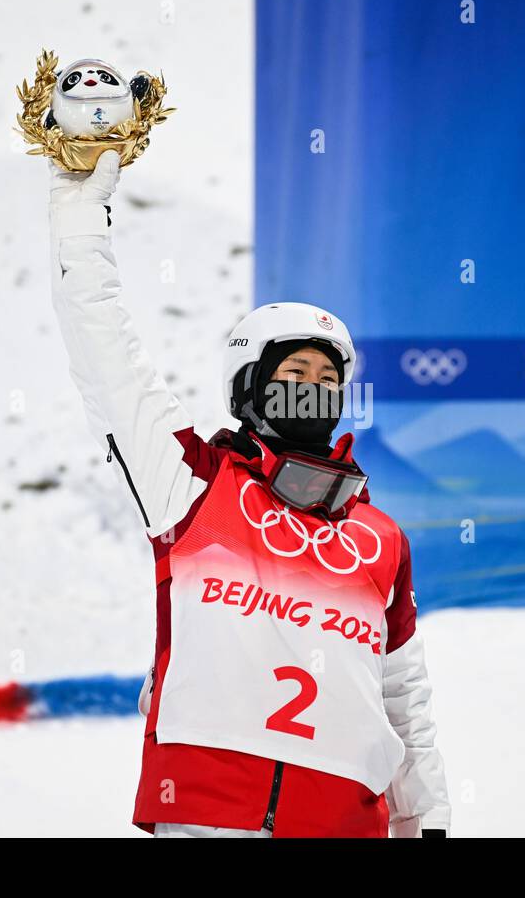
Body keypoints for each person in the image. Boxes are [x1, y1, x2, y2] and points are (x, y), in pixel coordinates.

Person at [47, 150, 450, 838]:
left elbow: (403, 700)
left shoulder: (380, 539)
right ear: (250, 387)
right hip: (211, 815)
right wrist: (79, 219)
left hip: (345, 826)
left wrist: (428, 821)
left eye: (329, 380)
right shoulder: (193, 485)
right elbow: (109, 362)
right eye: (295, 370)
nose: (315, 389)